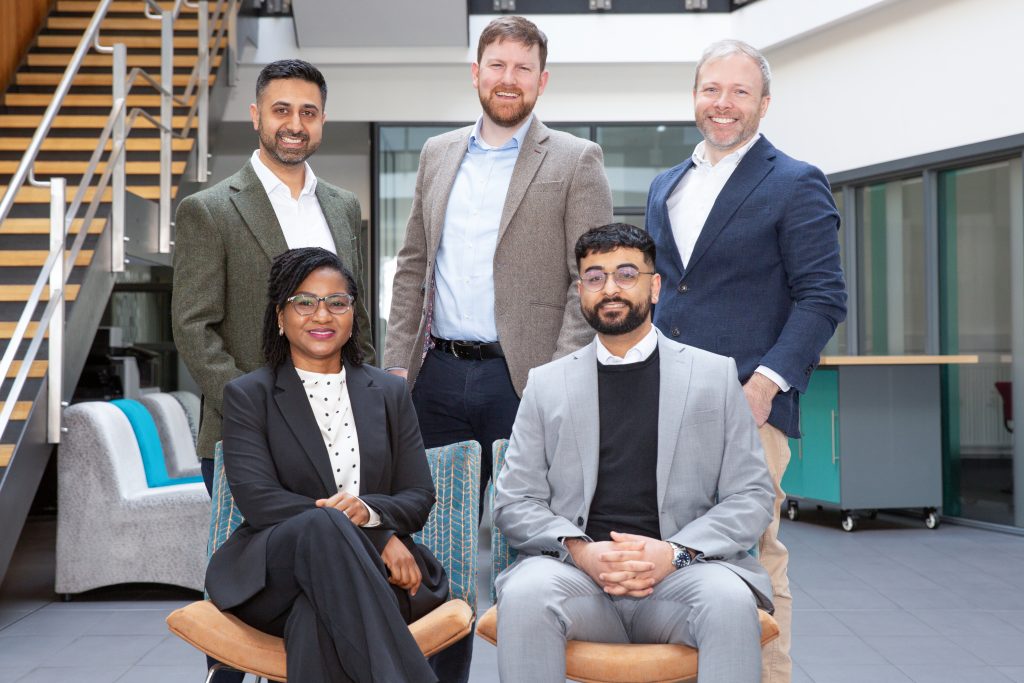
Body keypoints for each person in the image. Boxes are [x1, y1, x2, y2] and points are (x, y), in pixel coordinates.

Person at [644, 40, 847, 682]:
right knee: (667, 559)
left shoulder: (794, 181)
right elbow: (664, 291)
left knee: (751, 561)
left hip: (743, 408)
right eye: (711, 90)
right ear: (695, 97)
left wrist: (765, 383)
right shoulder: (665, 184)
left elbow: (823, 295)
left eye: (739, 92)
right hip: (661, 402)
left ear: (763, 102)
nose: (723, 104)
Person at [493, 223, 775, 683]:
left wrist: (674, 553)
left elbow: (751, 496)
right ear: (580, 290)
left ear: (655, 285)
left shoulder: (714, 375)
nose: (610, 289)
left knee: (729, 601)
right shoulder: (546, 384)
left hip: (683, 577)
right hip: (580, 581)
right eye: (595, 276)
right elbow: (514, 501)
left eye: (626, 274)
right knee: (525, 593)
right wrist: (583, 552)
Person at [384, 14, 613, 508]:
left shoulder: (577, 159)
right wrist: (397, 364)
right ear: (476, 73)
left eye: (523, 68)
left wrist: (557, 377)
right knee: (429, 524)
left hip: (524, 379)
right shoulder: (437, 153)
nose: (508, 79)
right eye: (497, 65)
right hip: (437, 375)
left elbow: (591, 280)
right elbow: (413, 266)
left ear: (542, 80)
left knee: (527, 525)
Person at [205, 247, 447, 683]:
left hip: (368, 581)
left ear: (353, 314)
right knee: (321, 526)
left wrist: (370, 511)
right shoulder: (248, 395)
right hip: (274, 573)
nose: (322, 315)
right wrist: (375, 533)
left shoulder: (389, 393)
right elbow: (260, 502)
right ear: (280, 316)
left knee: (315, 618)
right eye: (304, 302)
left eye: (337, 302)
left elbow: (418, 495)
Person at [172, 58, 374, 490]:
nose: (295, 124)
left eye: (308, 112)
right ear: (255, 116)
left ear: (322, 121)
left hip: (341, 430)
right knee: (258, 558)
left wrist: (369, 395)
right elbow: (193, 328)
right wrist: (254, 407)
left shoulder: (344, 206)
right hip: (249, 436)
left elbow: (357, 314)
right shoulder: (208, 210)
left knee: (344, 552)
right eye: (281, 110)